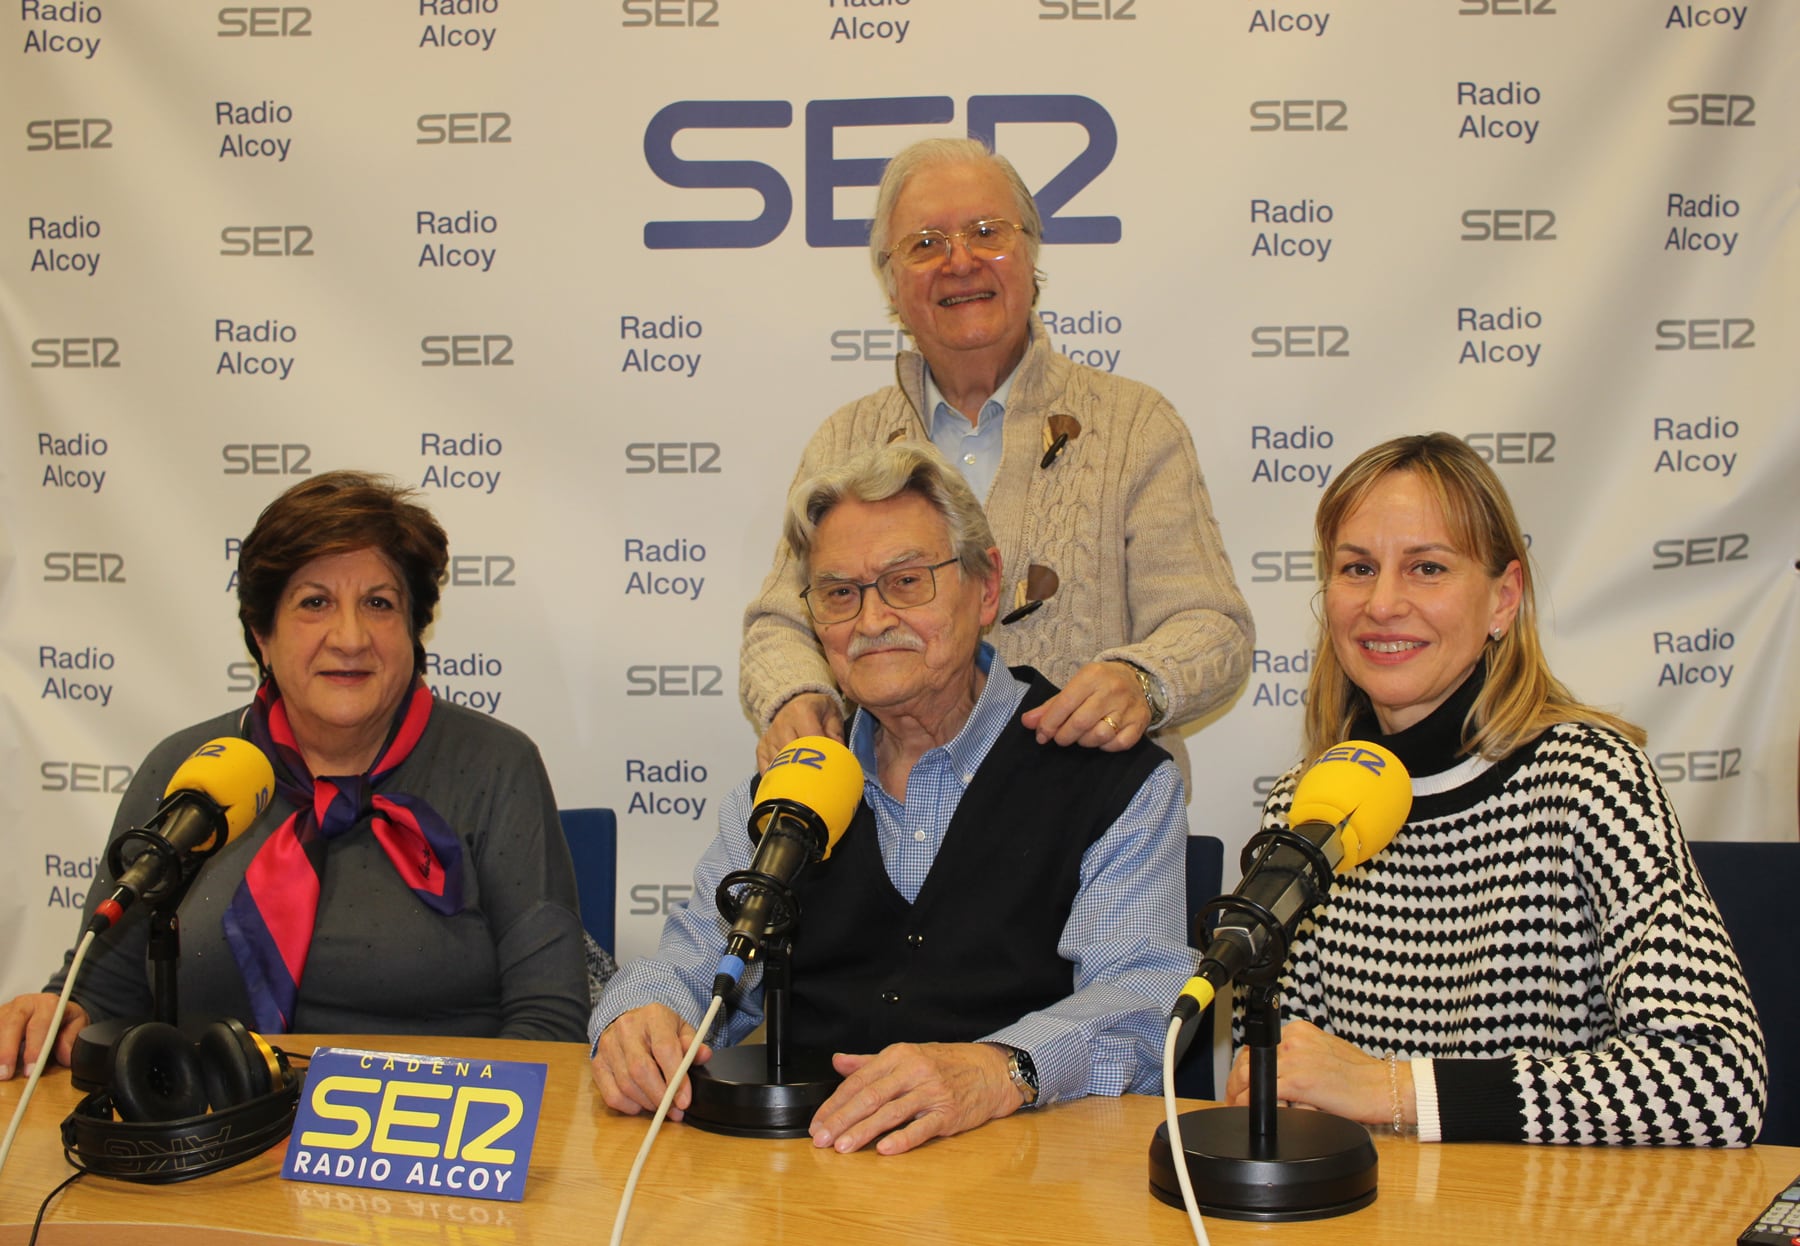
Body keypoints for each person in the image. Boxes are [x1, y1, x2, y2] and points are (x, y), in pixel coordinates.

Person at [593, 443, 1192, 1155]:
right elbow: (698, 960)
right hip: (809, 1177)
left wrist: (1004, 1068)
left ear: (986, 588)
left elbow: (1143, 996)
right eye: (839, 594)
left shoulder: (1113, 782)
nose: (872, 619)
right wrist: (638, 1016)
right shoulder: (788, 789)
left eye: (906, 582)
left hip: (1027, 1174)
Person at [1225, 433, 1767, 1146]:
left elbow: (1718, 1078)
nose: (1383, 603)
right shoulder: (1307, 804)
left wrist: (1396, 1090)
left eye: (1426, 568)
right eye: (1358, 568)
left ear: (1503, 599)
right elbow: (1282, 1074)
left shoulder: (1590, 779)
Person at [0, 471, 589, 1079]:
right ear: (262, 634)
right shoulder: (189, 768)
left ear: (414, 629)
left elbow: (549, 1023)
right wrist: (57, 1014)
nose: (350, 638)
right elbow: (103, 997)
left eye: (379, 604)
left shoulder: (496, 766)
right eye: (315, 603)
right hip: (212, 1121)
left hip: (428, 1125)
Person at [741, 137, 1252, 781]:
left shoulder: (1136, 426)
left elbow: (1212, 625)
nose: (959, 261)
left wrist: (1142, 681)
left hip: (1092, 815)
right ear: (891, 284)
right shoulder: (845, 441)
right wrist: (798, 695)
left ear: (1032, 256)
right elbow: (781, 624)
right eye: (925, 244)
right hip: (892, 813)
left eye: (987, 233)